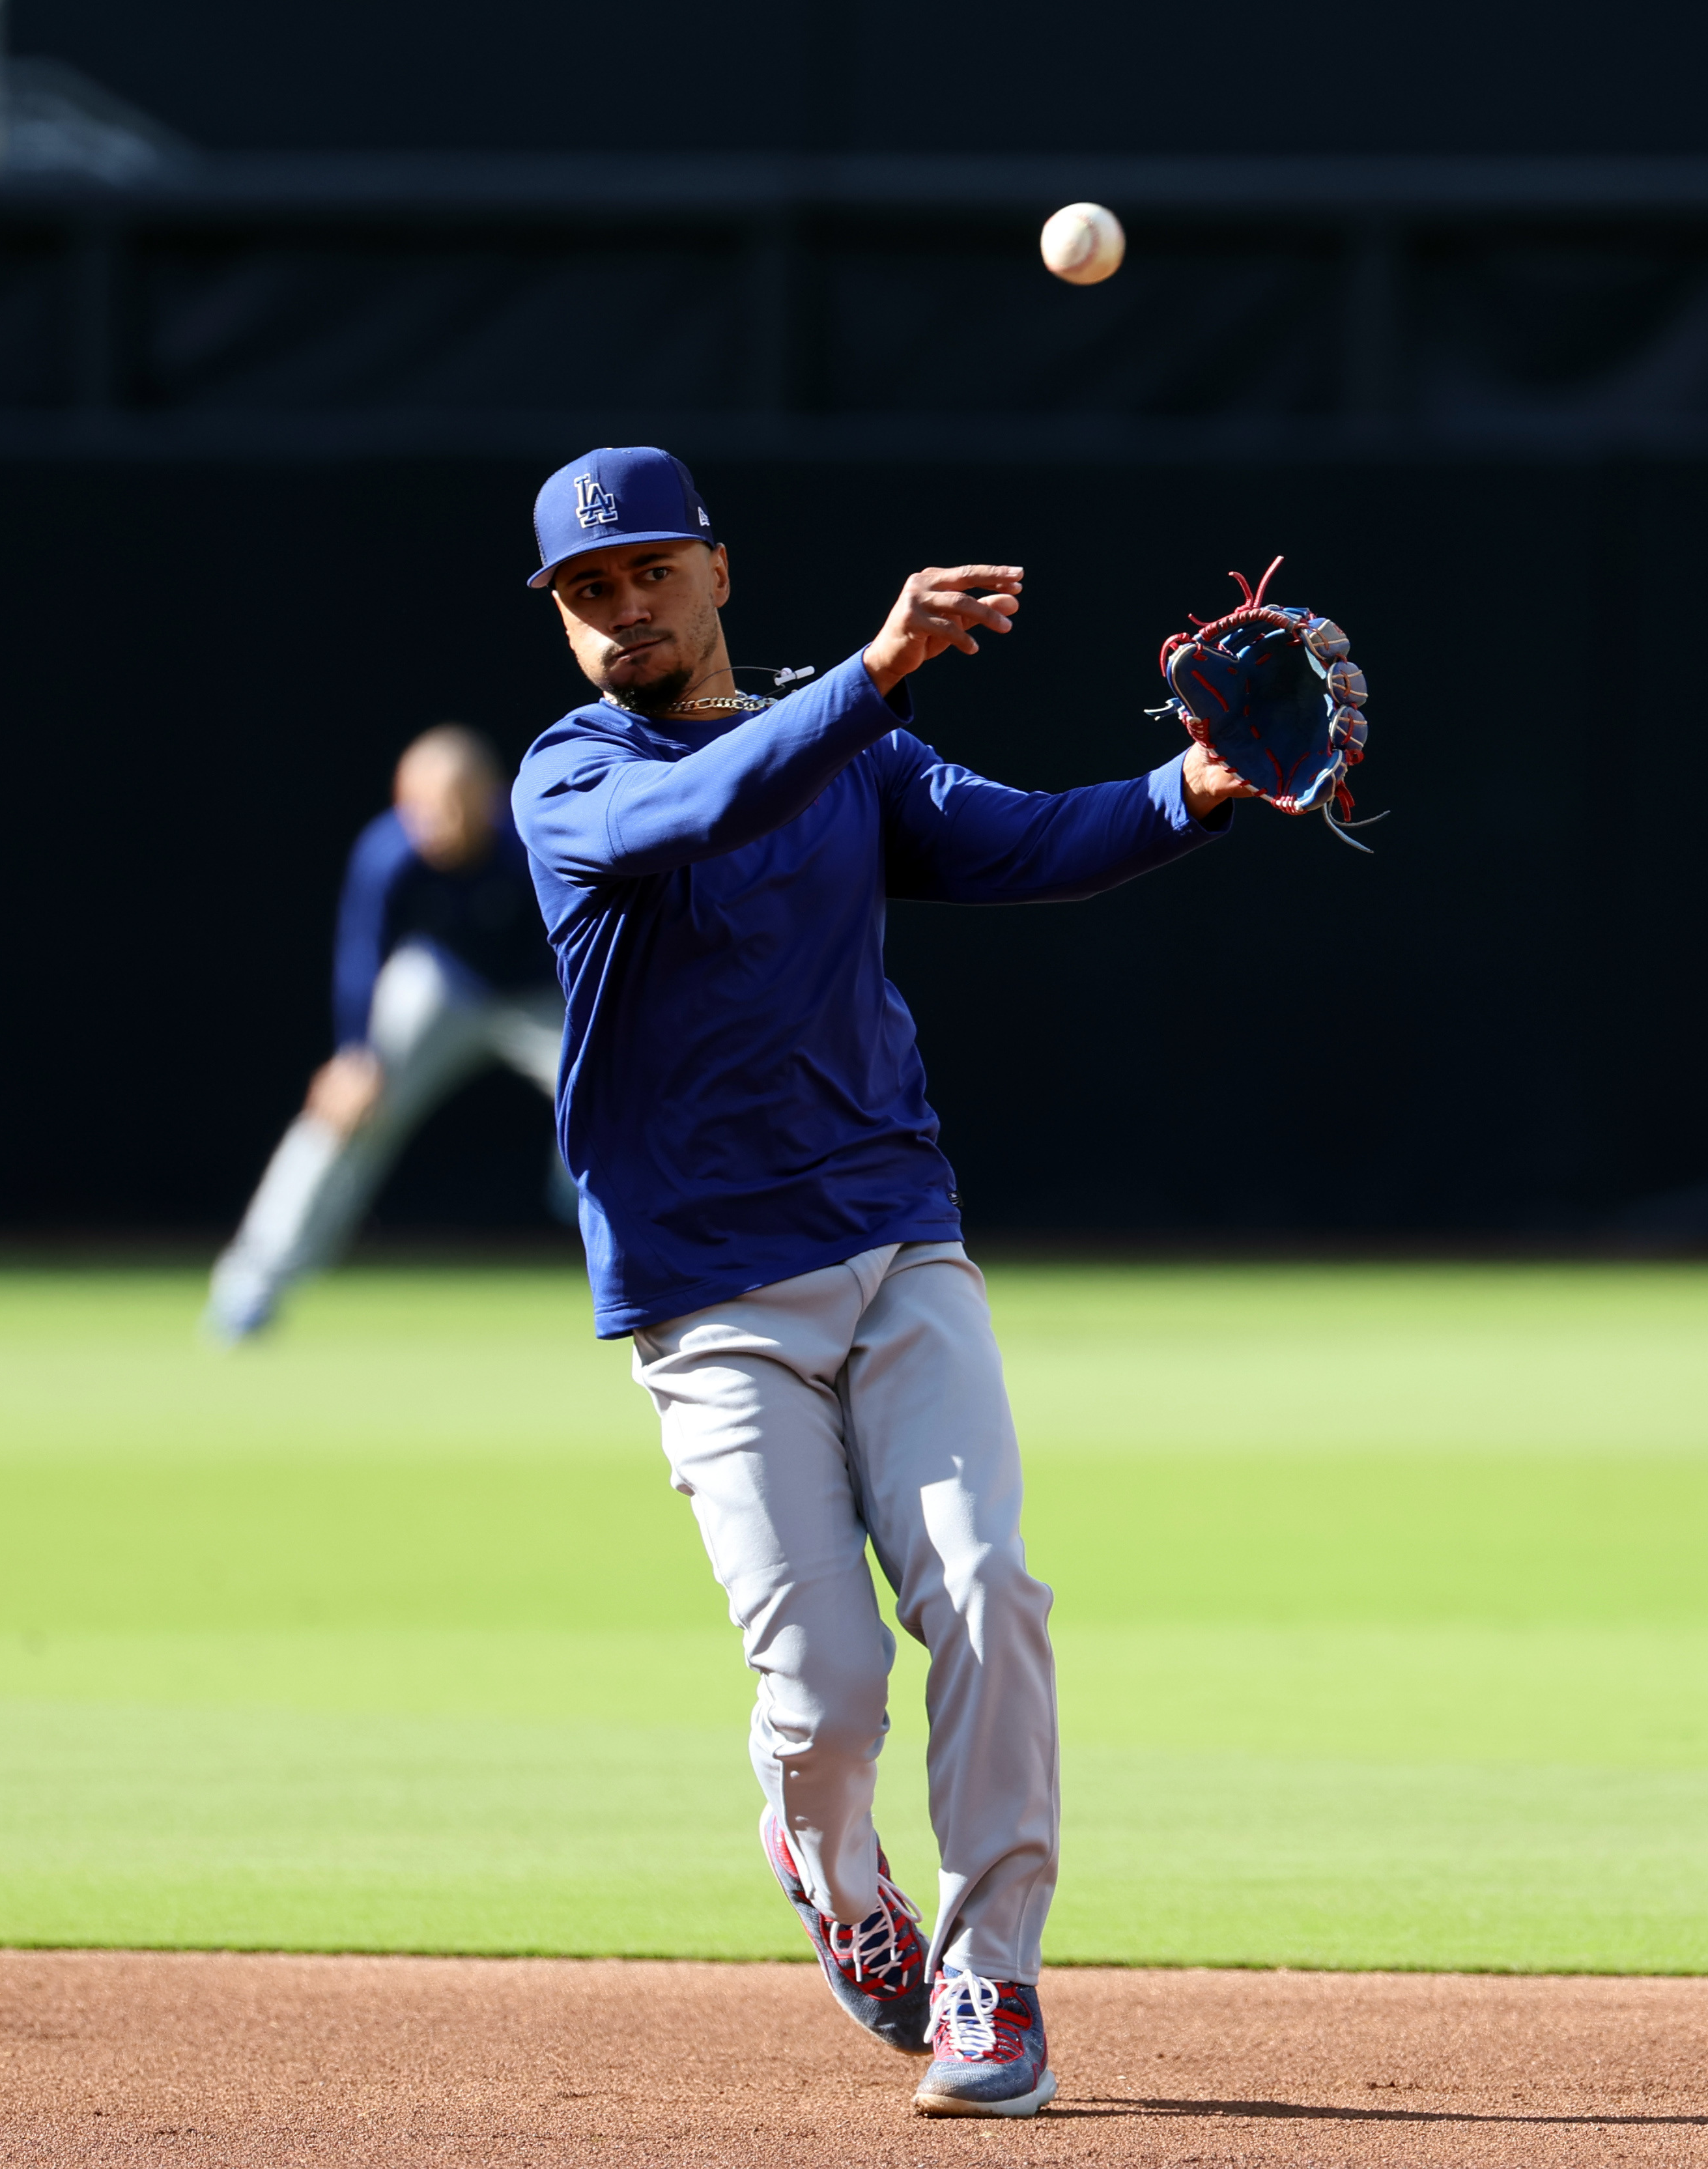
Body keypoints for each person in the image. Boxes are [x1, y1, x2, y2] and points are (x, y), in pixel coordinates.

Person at [512, 446, 1258, 2119]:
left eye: (644, 570)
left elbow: (1027, 845)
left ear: (715, 567)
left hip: (894, 1238)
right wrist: (876, 670)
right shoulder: (574, 775)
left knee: (987, 1588)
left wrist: (1193, 794)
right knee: (828, 1690)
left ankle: (992, 1976)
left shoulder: (856, 748)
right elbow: (704, 805)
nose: (620, 607)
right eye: (584, 591)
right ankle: (837, 1872)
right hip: (709, 1301)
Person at [205, 725, 567, 1343]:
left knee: (622, 1109)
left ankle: (646, 1267)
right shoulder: (389, 851)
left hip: (545, 995)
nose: (427, 820)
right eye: (415, 804)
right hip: (443, 987)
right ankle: (252, 1285)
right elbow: (361, 958)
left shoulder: (534, 844)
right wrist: (354, 1054)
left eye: (446, 803)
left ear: (486, 796)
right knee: (346, 1110)